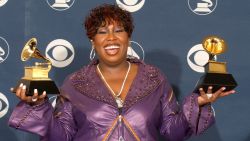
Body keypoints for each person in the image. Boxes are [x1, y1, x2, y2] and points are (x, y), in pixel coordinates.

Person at [8, 3, 235, 141]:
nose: (111, 38)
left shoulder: (154, 79)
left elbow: (172, 133)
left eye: (119, 30)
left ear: (129, 36)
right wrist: (38, 106)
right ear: (92, 39)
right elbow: (61, 136)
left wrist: (199, 103)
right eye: (102, 32)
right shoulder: (74, 84)